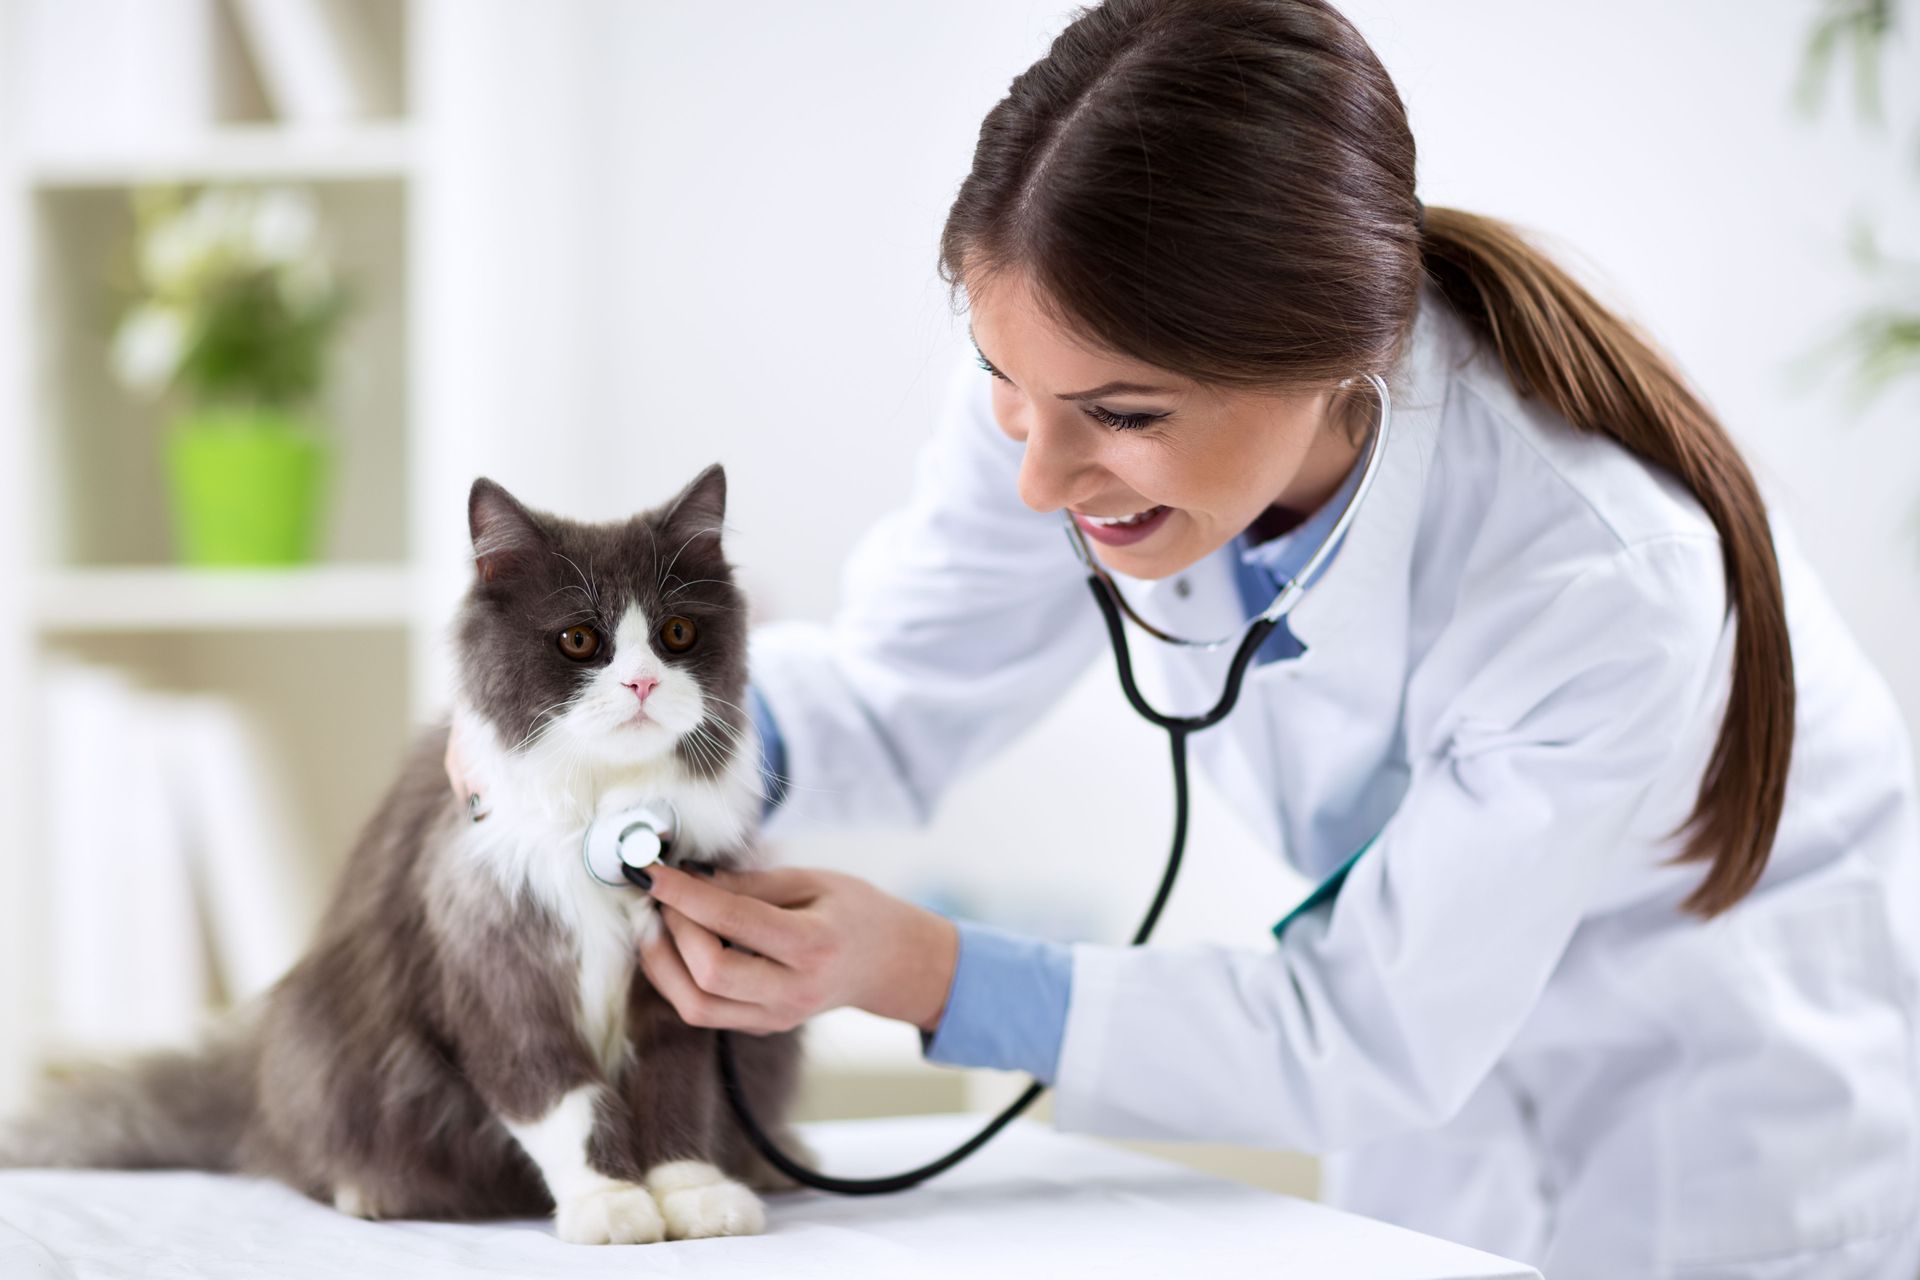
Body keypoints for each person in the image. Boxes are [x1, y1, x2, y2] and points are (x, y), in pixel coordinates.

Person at [454, 1, 1920, 1274]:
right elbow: (904, 689)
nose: (1039, 475)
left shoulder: (1597, 582)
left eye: (1125, 418)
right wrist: (655, 744)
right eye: (1005, 386)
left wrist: (927, 972)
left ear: (1341, 360)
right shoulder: (1060, 397)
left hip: (1724, 1135)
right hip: (1450, 1155)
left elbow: (1369, 1030)